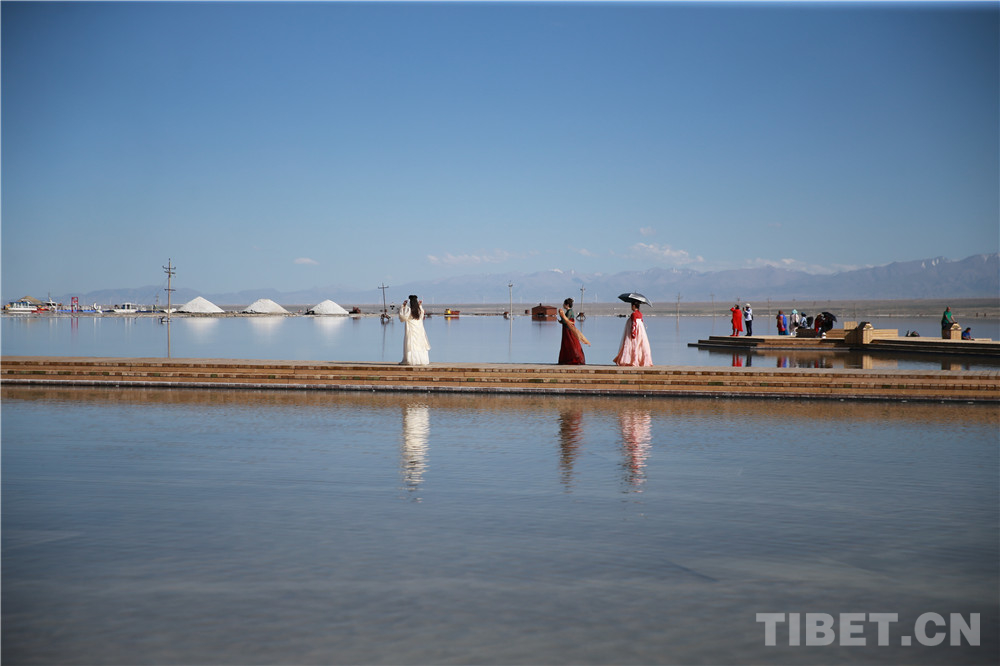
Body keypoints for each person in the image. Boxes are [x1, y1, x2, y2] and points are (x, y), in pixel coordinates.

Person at [614, 301, 653, 366]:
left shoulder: (633, 314)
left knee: (632, 345)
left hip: (635, 331)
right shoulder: (640, 314)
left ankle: (631, 360)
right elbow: (641, 322)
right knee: (639, 345)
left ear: (634, 306)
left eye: (631, 306)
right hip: (640, 333)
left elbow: (634, 323)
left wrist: (633, 333)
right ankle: (639, 360)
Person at [399, 295, 430, 365]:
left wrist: (403, 307)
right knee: (419, 344)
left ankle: (411, 360)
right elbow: (422, 315)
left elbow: (403, 317)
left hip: (411, 329)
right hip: (419, 329)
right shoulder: (419, 310)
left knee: (411, 344)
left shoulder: (409, 310)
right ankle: (421, 360)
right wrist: (420, 306)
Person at [557, 298, 588, 365]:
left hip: (568, 330)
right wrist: (561, 319)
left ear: (567, 305)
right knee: (567, 344)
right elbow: (566, 320)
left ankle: (574, 359)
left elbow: (566, 321)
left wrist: (561, 315)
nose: (563, 305)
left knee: (570, 344)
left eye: (564, 304)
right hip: (566, 330)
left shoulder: (570, 312)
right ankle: (568, 359)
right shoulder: (569, 312)